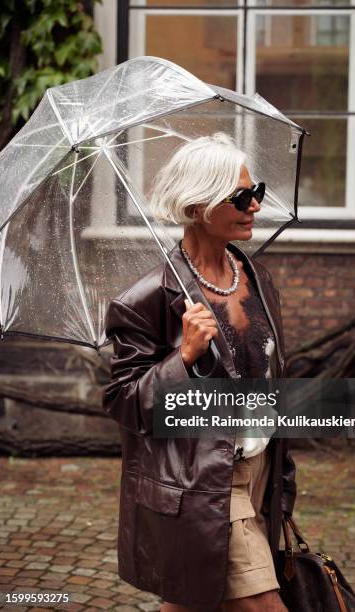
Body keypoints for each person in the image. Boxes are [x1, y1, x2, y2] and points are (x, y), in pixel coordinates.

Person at [102, 133, 297, 612]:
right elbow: (125, 403)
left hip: (260, 468)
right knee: (263, 602)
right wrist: (182, 358)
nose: (255, 205)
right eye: (240, 197)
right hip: (201, 478)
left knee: (192, 600)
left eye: (257, 191)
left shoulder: (255, 278)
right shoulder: (146, 299)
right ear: (196, 205)